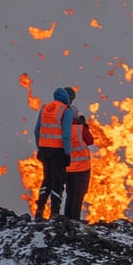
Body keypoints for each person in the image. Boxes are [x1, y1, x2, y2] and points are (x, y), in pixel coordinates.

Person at [33, 86, 75, 221]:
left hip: (44, 150)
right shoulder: (65, 111)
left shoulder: (45, 108)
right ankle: (54, 213)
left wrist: (40, 147)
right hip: (58, 151)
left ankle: (40, 210)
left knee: (46, 180)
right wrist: (67, 153)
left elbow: (36, 131)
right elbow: (66, 135)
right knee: (58, 181)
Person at [63, 115, 95, 221]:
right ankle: (75, 220)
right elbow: (90, 141)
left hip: (68, 168)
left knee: (70, 194)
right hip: (82, 168)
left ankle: (67, 218)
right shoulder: (80, 129)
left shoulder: (62, 128)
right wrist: (85, 127)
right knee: (78, 195)